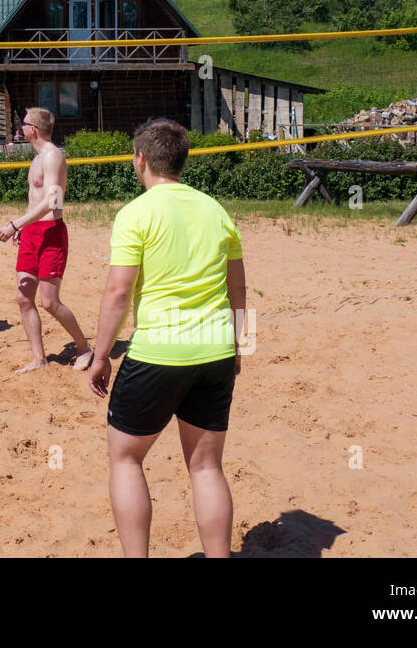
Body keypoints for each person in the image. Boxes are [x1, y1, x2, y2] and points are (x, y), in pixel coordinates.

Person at [87, 117, 248, 558]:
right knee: (207, 466)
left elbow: (119, 292)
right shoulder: (216, 210)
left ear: (140, 159)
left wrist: (100, 355)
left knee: (125, 459)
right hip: (215, 350)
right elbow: (237, 288)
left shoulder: (136, 213)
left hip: (159, 351)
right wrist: (239, 343)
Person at [0, 107, 92, 373]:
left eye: (23, 124)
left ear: (33, 129)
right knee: (24, 297)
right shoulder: (37, 157)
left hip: (51, 233)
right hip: (33, 232)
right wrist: (25, 228)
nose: (20, 127)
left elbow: (52, 202)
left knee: (49, 302)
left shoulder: (52, 156)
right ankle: (39, 358)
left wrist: (16, 224)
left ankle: (84, 347)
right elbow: (34, 199)